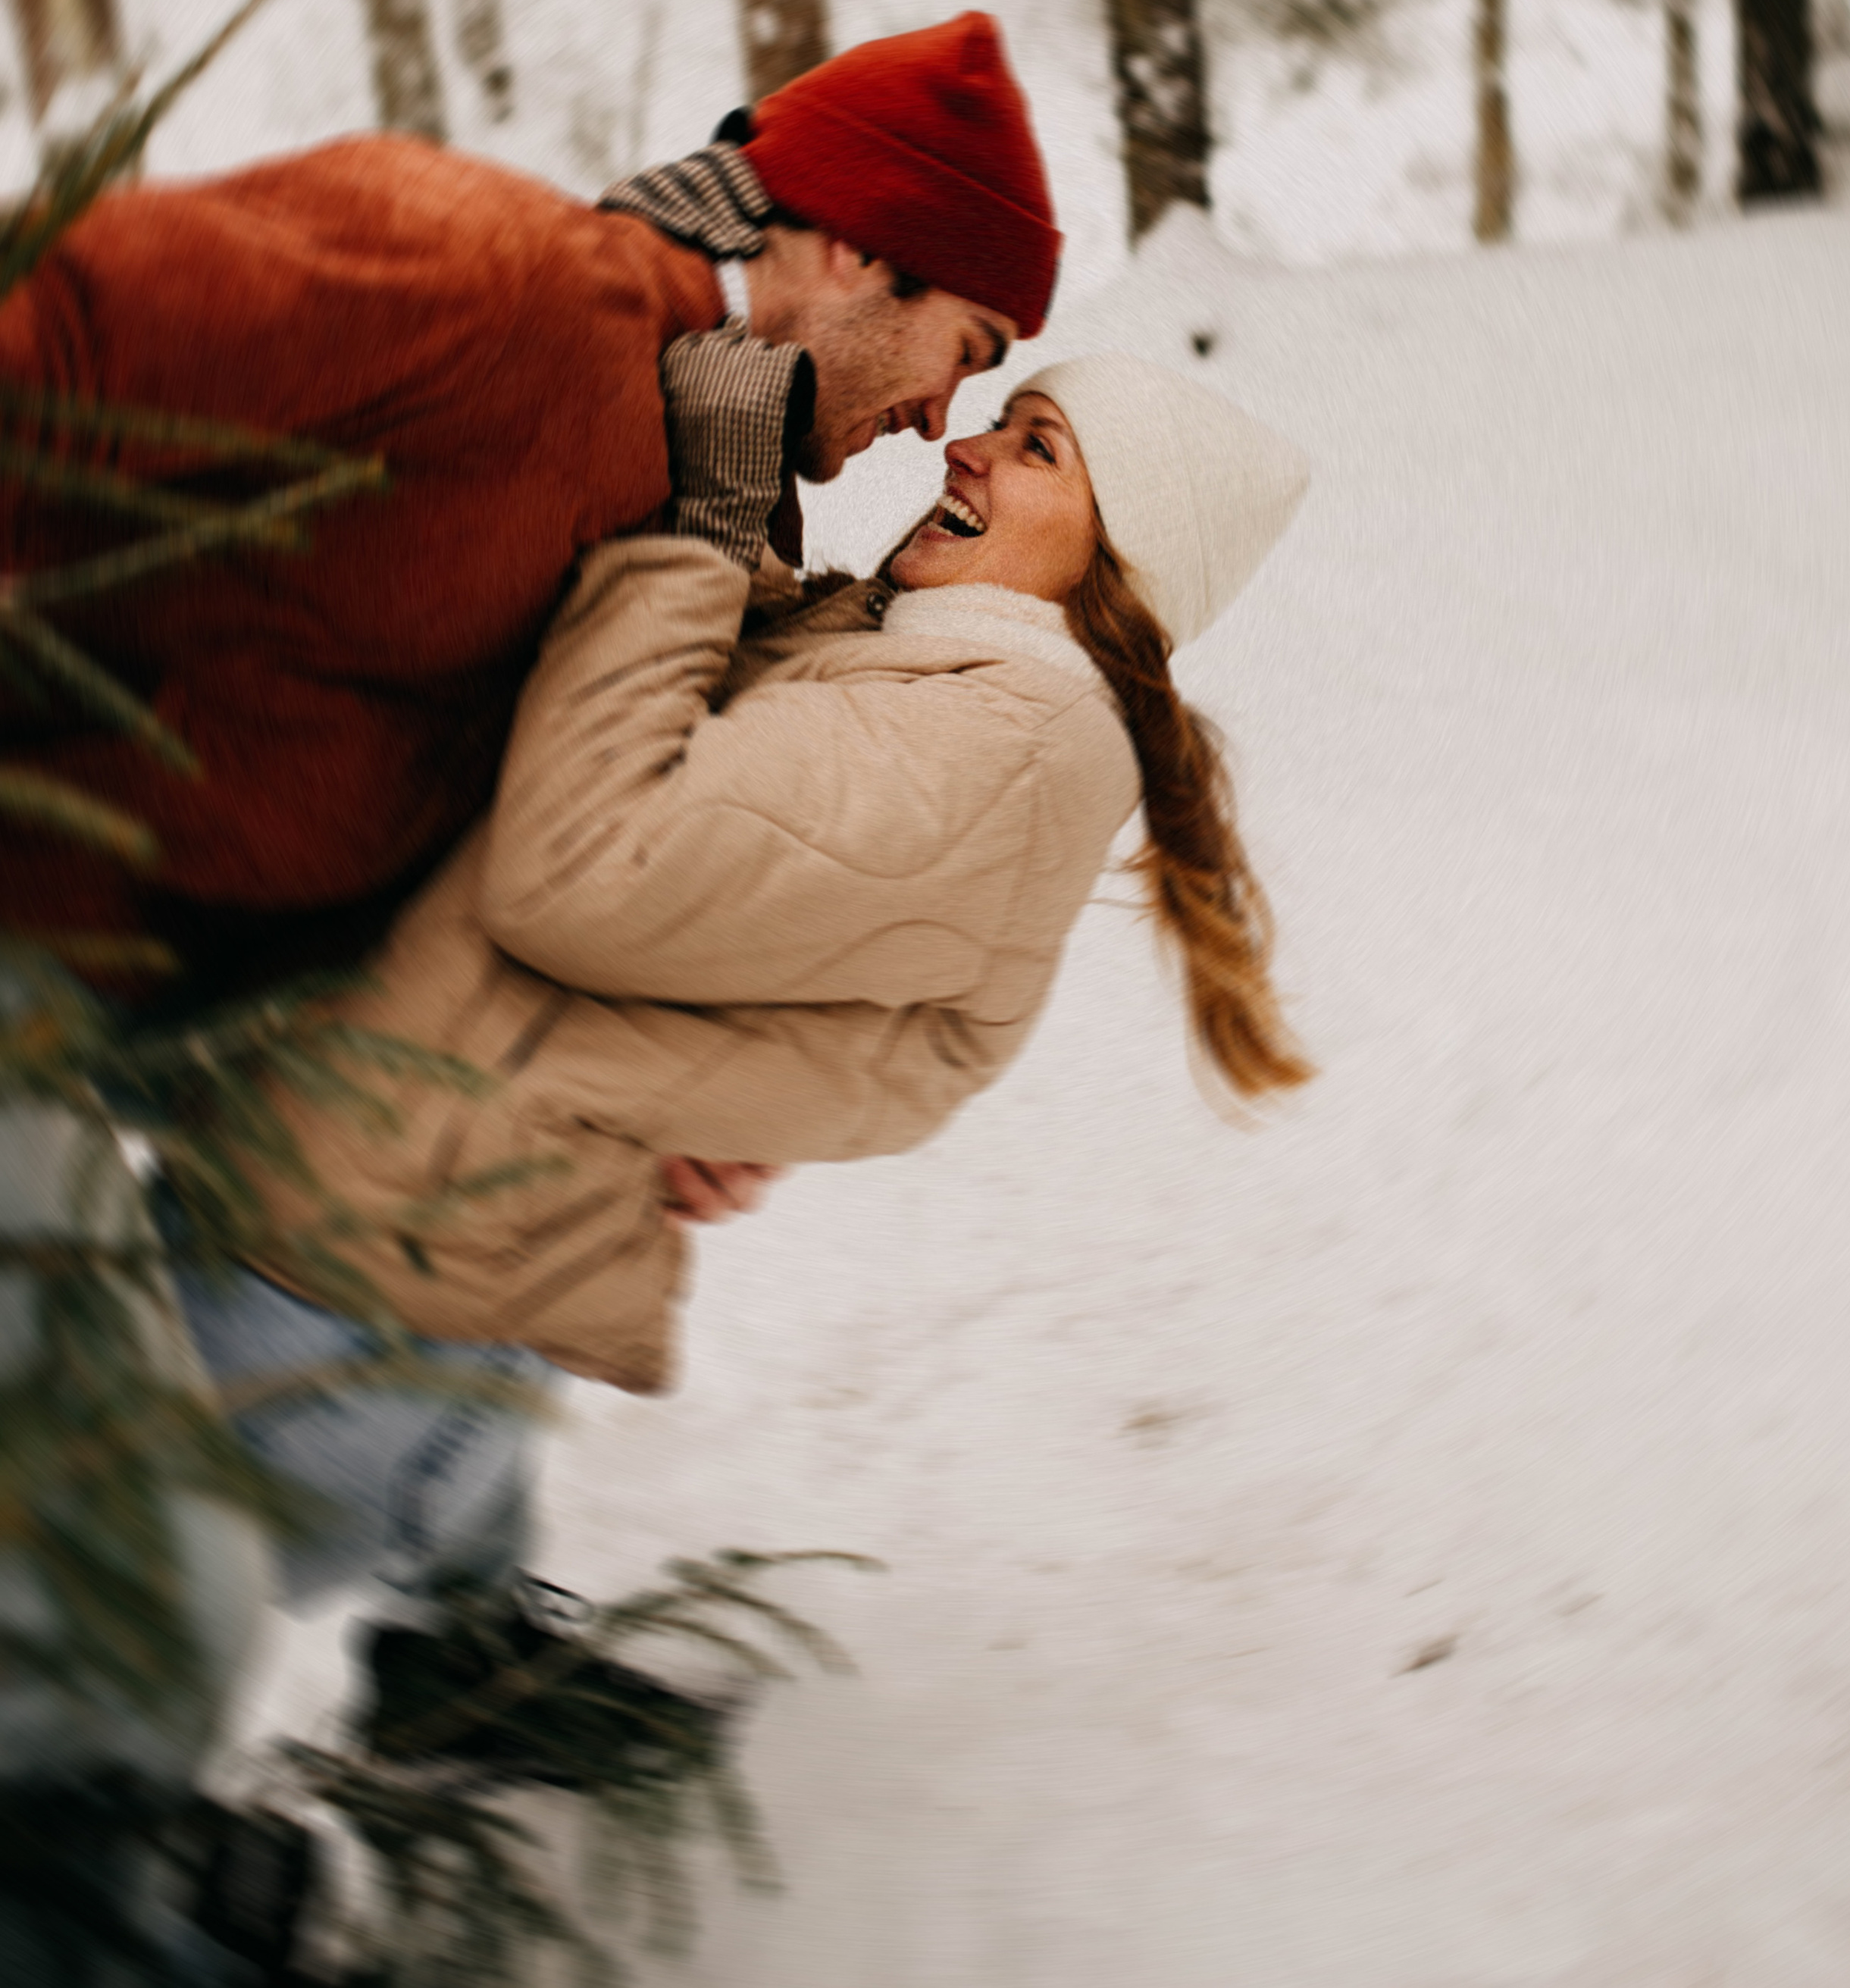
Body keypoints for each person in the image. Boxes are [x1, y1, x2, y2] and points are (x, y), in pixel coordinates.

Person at [159, 328, 1315, 1766]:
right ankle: (452, 1673)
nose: (966, 447)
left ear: (1117, 560)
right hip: (434, 1184)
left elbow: (586, 860)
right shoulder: (938, 668)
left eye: (1035, 449)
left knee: (97, 1644)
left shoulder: (1000, 737)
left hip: (370, 1248)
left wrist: (702, 528)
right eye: (1000, 422)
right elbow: (755, 809)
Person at [0, 9, 1059, 977]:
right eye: (966, 351)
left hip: (211, 1037)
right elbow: (56, 327)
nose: (938, 418)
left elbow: (664, 843)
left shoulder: (729, 499)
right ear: (861, 244)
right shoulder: (500, 272)